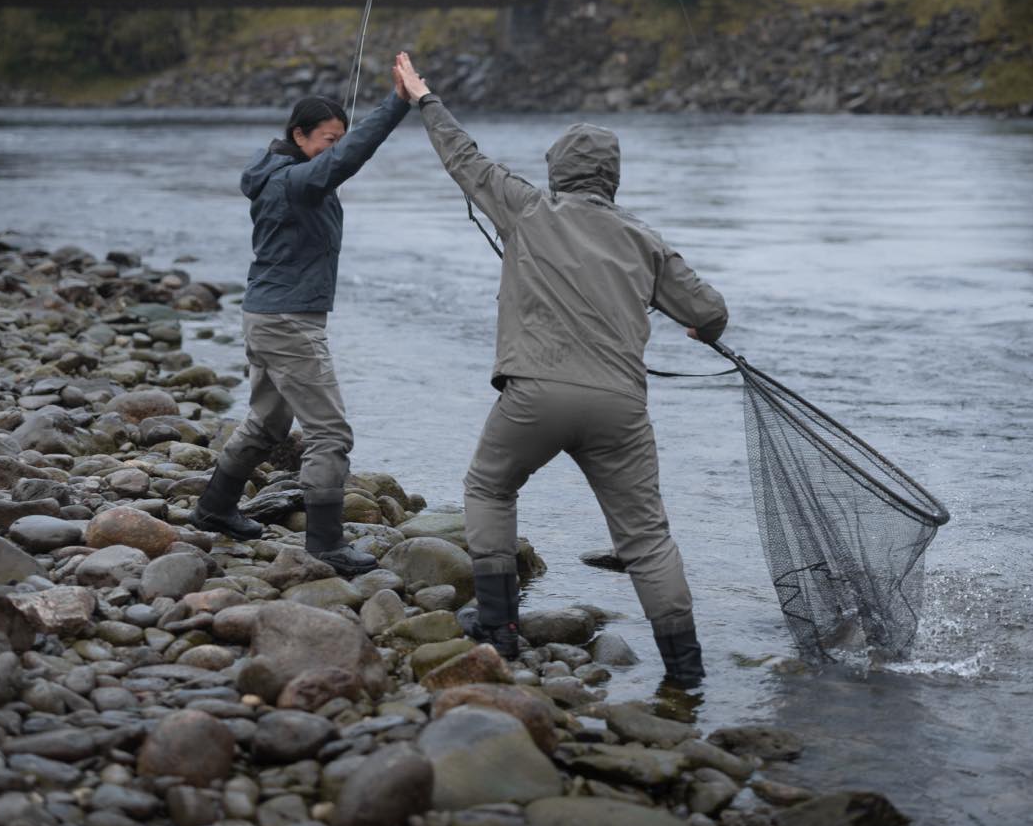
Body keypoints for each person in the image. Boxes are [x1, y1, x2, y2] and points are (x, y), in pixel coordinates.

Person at [392, 50, 728, 686]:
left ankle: (500, 628)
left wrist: (424, 98)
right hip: (620, 411)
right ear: (612, 180)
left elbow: (465, 159)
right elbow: (711, 311)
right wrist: (698, 325)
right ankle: (687, 674)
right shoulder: (645, 239)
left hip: (535, 400)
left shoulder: (527, 208)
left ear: (557, 174)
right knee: (647, 541)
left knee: (490, 488)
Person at [191, 75, 410, 574]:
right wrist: (398, 102)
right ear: (299, 136)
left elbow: (341, 159)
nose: (334, 149)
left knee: (268, 423)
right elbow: (352, 155)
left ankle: (213, 508)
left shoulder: (282, 174)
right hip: (288, 321)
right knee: (329, 432)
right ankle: (326, 543)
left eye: (336, 138)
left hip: (267, 315)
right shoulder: (295, 181)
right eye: (328, 140)